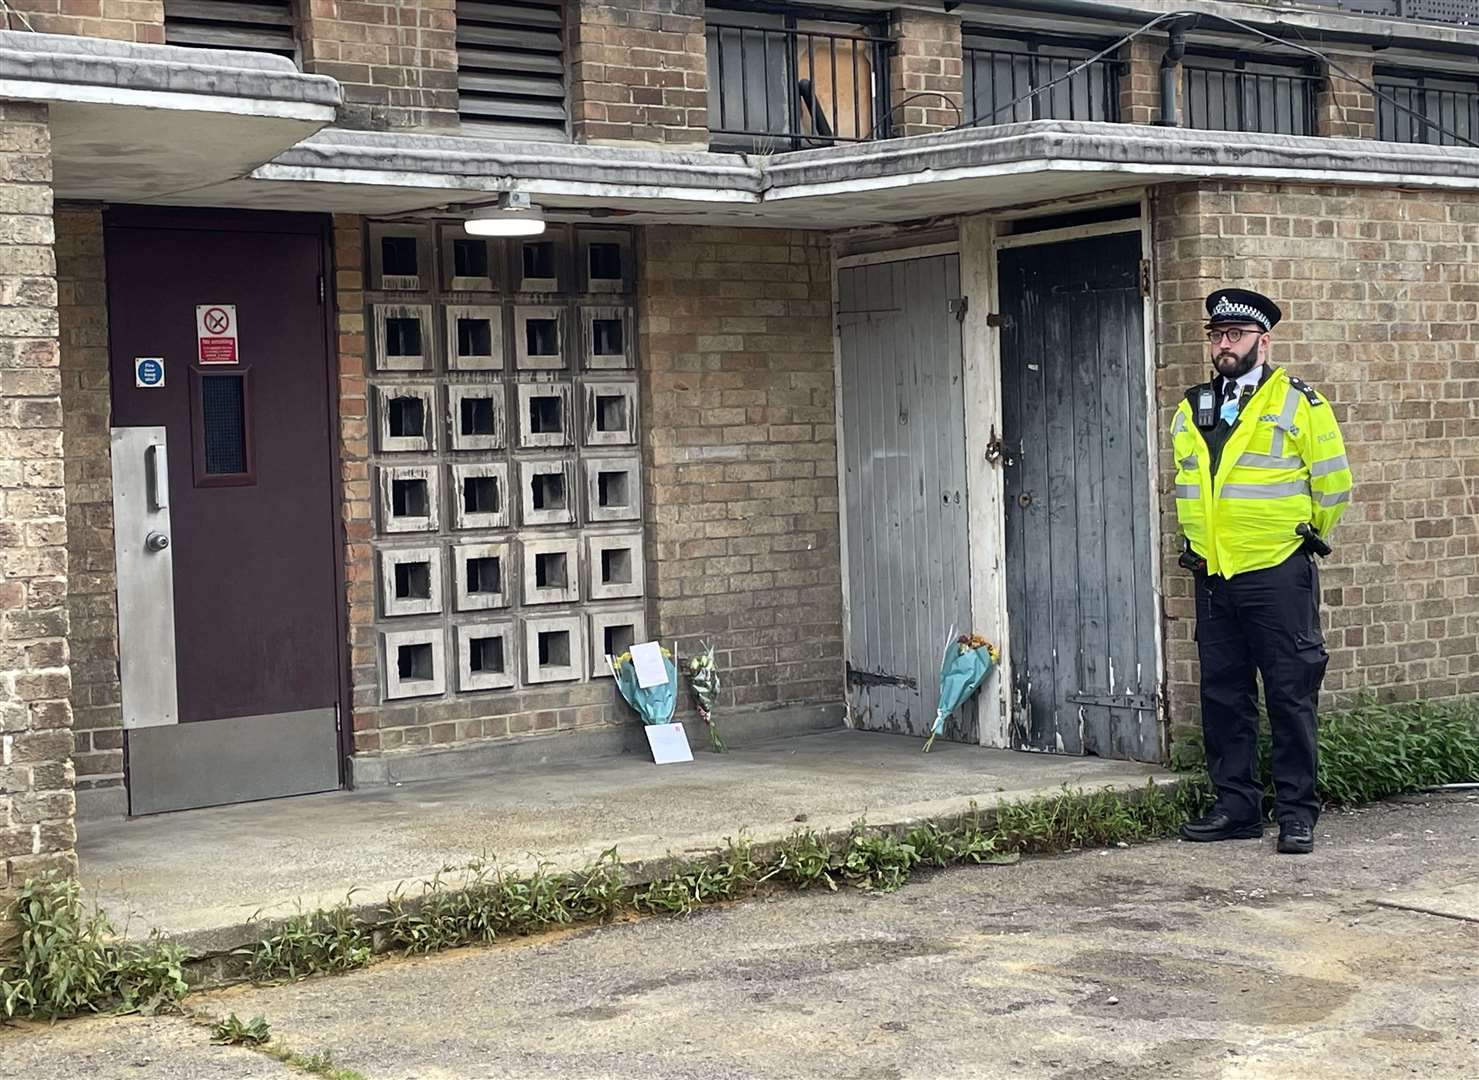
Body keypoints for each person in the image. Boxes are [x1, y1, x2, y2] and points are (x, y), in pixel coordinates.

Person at [1169, 289, 1353, 855]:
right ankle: (1236, 807)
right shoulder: (1192, 406)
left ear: (1263, 341)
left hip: (1276, 571)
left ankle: (1298, 813)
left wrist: (1297, 540)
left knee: (1290, 693)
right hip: (1214, 574)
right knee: (1224, 695)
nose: (1223, 345)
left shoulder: (1301, 404)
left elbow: (1333, 486)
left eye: (1236, 336)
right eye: (1216, 336)